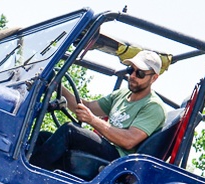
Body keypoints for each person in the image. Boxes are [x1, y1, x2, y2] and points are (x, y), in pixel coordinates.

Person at [33, 49, 168, 171]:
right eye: (130, 70)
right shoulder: (121, 94)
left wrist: (92, 120)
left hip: (119, 160)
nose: (132, 76)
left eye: (140, 73)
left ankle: (23, 176)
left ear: (154, 78)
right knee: (43, 137)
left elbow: (129, 141)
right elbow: (87, 107)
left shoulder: (153, 106)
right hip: (105, 147)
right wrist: (56, 86)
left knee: (70, 131)